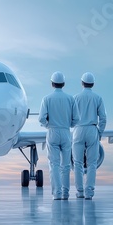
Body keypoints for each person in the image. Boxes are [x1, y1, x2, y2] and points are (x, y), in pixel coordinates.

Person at [39, 72, 80, 200]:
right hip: (66, 131)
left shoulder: (46, 99)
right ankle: (66, 193)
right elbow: (77, 119)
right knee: (66, 165)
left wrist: (47, 125)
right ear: (63, 84)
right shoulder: (70, 99)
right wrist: (69, 124)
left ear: (52, 83)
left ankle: (57, 193)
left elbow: (41, 118)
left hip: (52, 132)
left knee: (54, 165)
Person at [72, 72, 107, 200]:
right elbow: (103, 118)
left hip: (78, 129)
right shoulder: (98, 98)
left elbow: (71, 116)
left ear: (82, 83)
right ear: (93, 84)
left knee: (77, 163)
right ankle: (89, 193)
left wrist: (74, 127)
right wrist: (99, 133)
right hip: (92, 129)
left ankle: (80, 191)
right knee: (92, 163)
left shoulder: (75, 97)